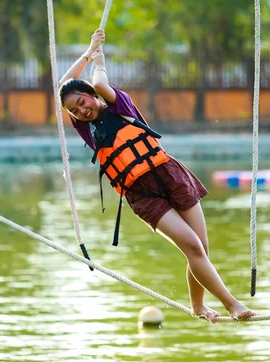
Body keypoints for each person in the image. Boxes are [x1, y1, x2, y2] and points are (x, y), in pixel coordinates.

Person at [58, 29, 255, 323]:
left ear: (91, 95)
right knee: (191, 246)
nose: (82, 110)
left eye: (83, 102)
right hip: (142, 195)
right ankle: (231, 303)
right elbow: (61, 86)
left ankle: (198, 306)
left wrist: (99, 61)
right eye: (74, 110)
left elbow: (99, 81)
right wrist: (89, 51)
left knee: (201, 249)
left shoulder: (119, 104)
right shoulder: (86, 130)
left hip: (170, 175)